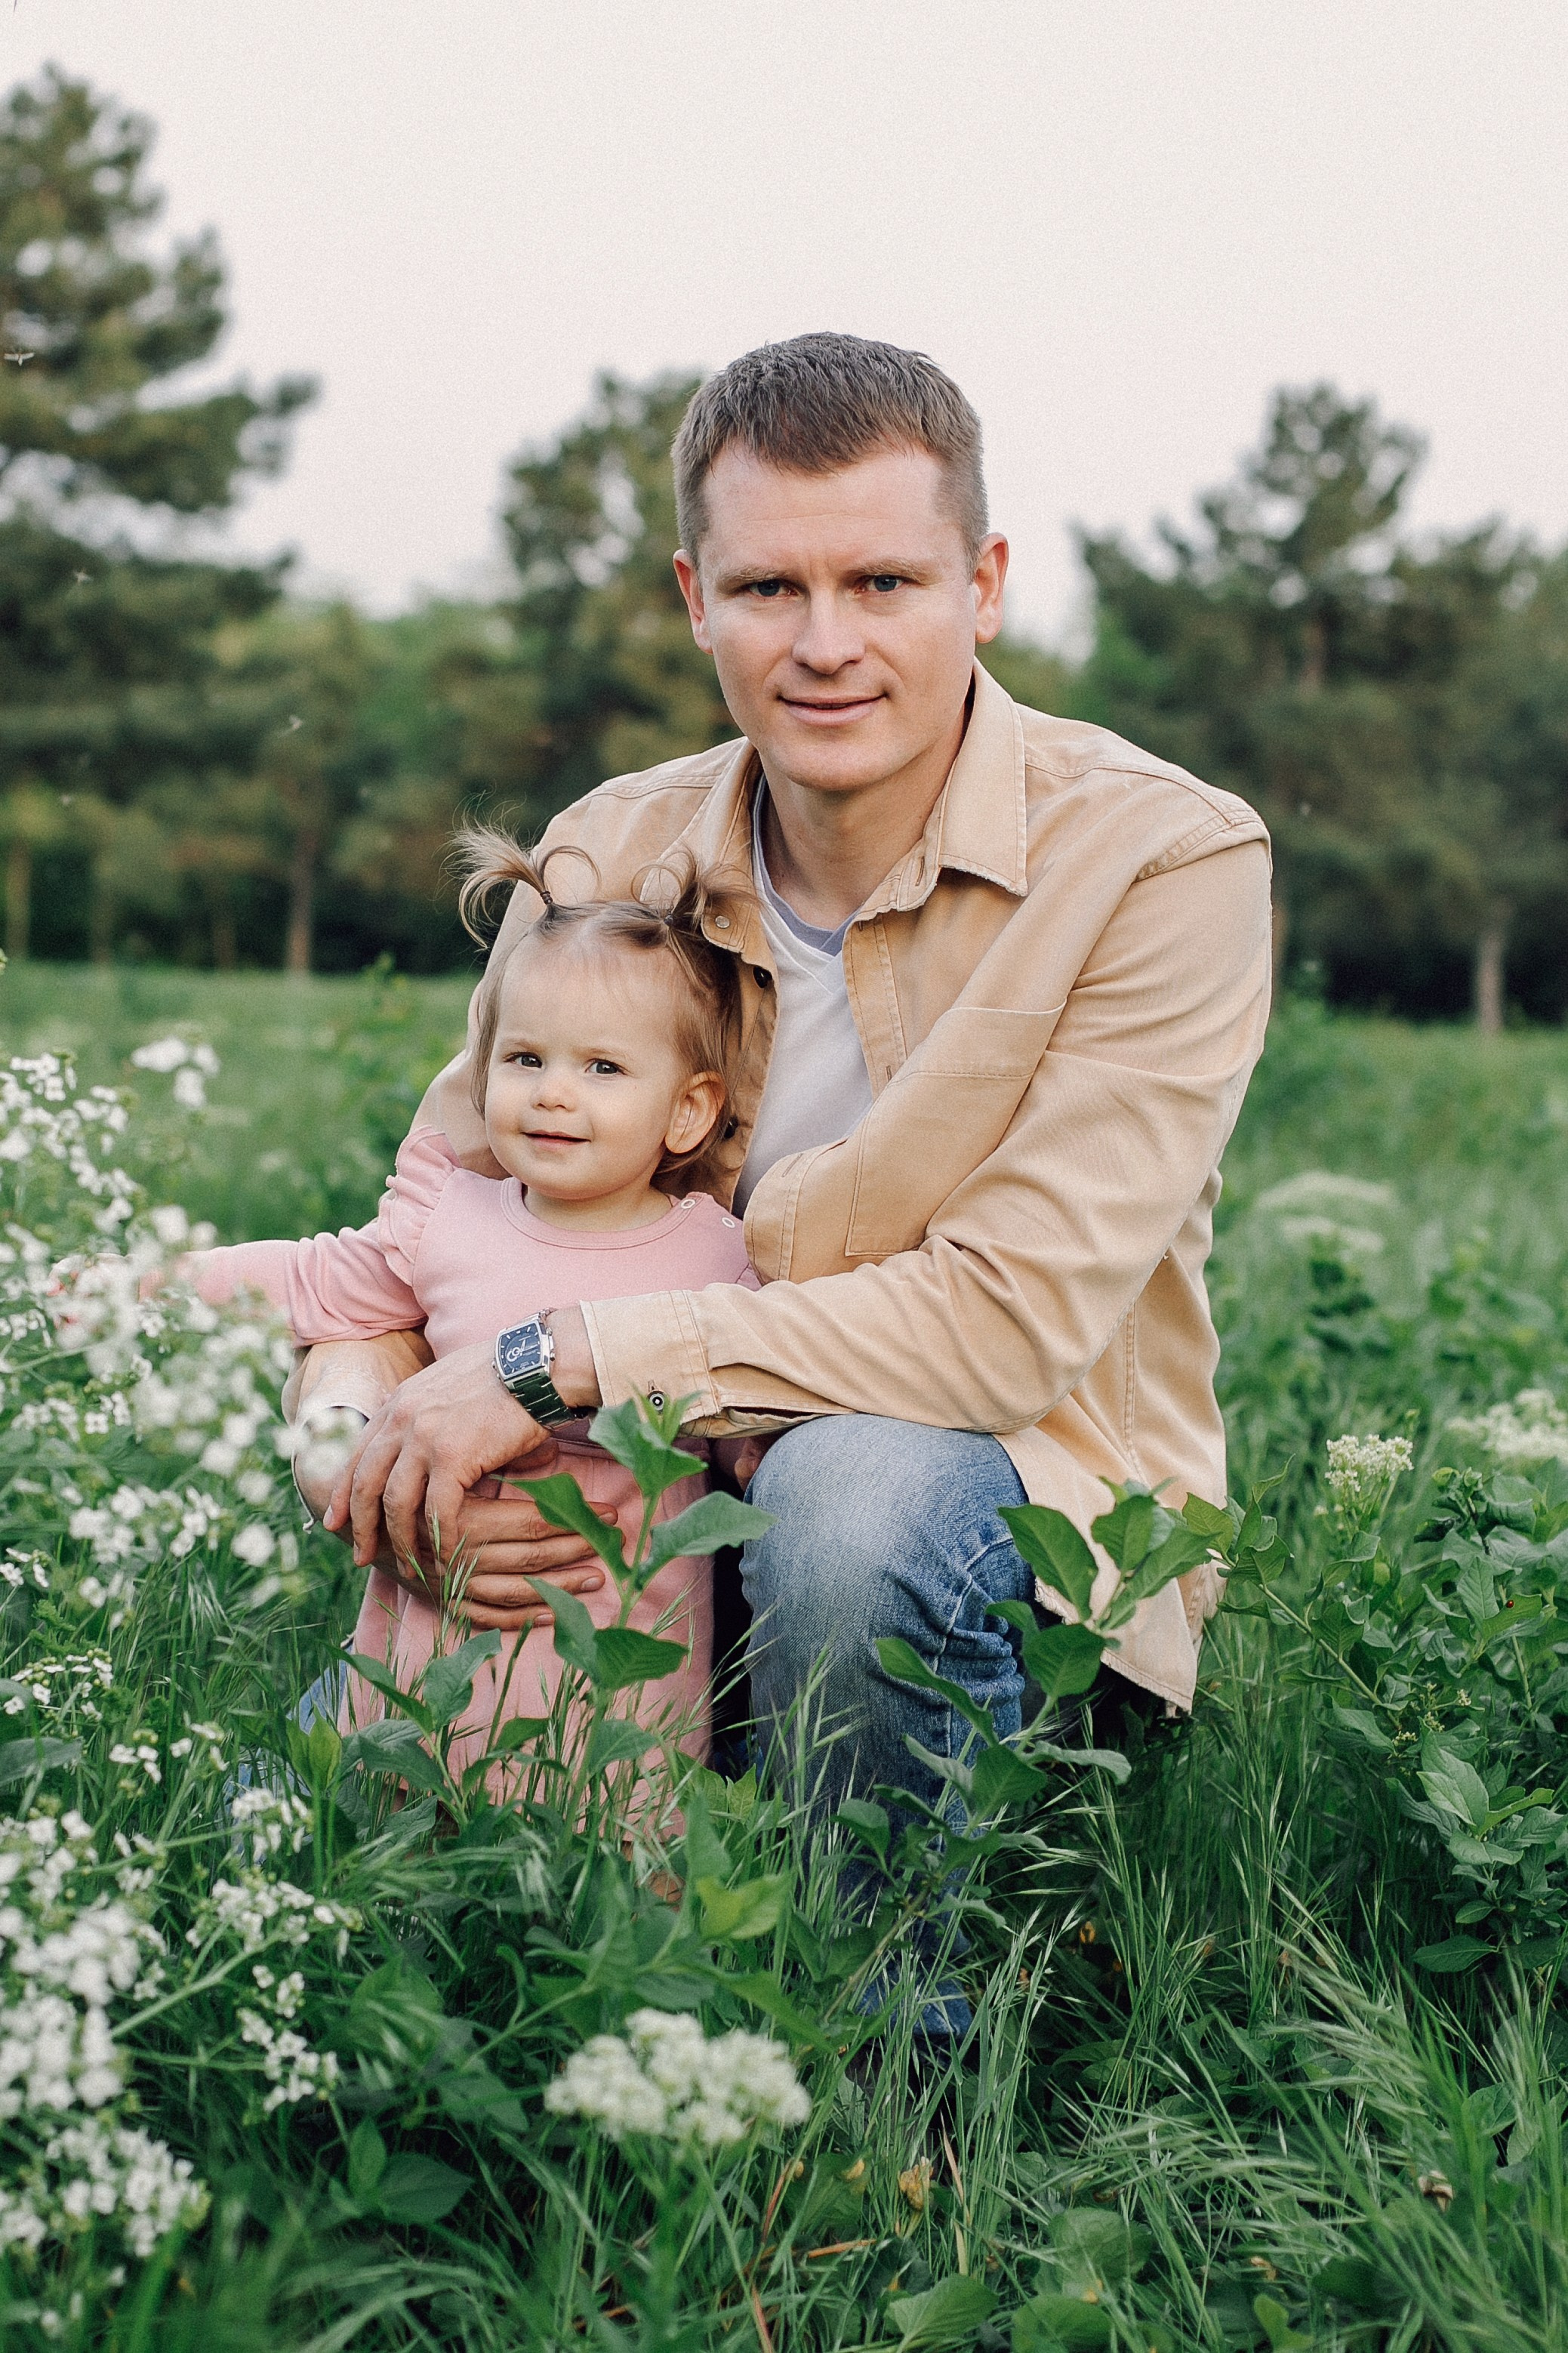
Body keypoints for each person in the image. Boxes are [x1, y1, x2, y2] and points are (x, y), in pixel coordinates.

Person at [292, 331, 1274, 1824]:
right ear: (699, 601)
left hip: (993, 1529)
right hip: (633, 1516)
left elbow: (1001, 1332)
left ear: (984, 584)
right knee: (299, 1833)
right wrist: (361, 1452)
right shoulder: (615, 846)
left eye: (882, 582)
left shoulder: (1160, 859)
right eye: (768, 588)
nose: (826, 644)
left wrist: (546, 1362)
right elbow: (407, 1251)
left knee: (843, 1503)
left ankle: (886, 2031)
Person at [186, 838, 759, 1780]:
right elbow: (315, 1281)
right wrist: (146, 1289)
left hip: (614, 1669)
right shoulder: (447, 1216)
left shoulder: (714, 1257)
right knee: (398, 1821)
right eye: (526, 1057)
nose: (553, 1092)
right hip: (434, 1630)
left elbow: (745, 1414)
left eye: (603, 1068)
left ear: (689, 1112)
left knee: (604, 1855)